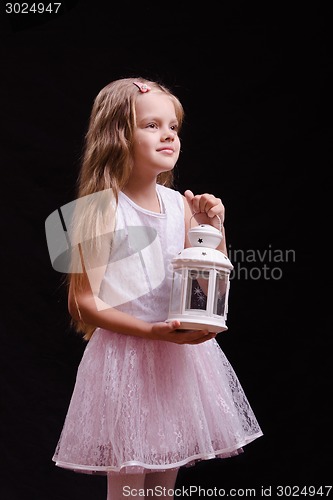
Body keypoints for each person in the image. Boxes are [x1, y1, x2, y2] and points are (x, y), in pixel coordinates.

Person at [51, 77, 263, 499]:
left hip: (176, 362)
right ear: (117, 135)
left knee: (163, 486)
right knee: (129, 486)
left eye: (173, 127)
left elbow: (208, 280)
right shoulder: (93, 211)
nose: (168, 135)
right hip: (126, 359)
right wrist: (150, 332)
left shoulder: (181, 205)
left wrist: (213, 228)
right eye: (151, 125)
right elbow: (82, 303)